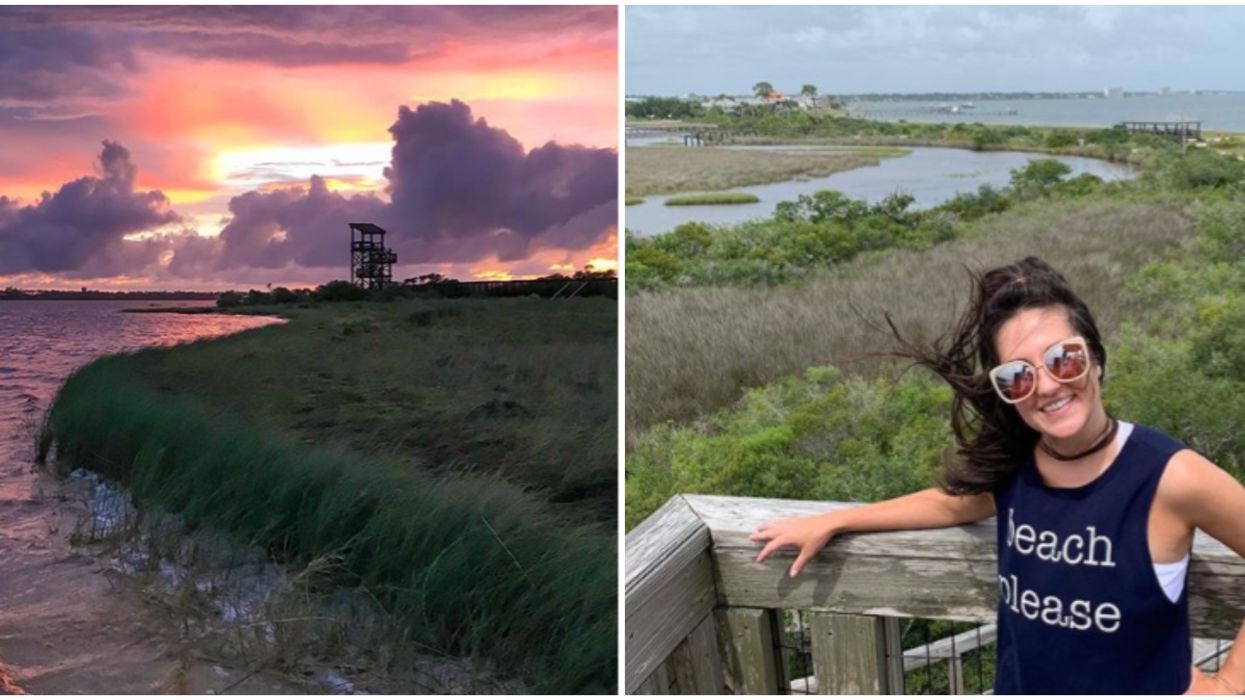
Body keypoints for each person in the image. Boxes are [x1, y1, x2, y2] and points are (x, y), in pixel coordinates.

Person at [750, 257, 1245, 694]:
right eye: (1017, 376)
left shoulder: (1170, 475)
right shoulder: (1018, 467)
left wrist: (1228, 684)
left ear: (1095, 358)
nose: (1047, 385)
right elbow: (952, 503)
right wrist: (838, 520)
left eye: (1063, 358)